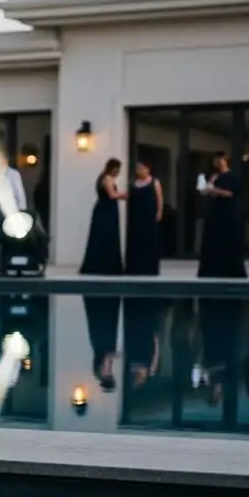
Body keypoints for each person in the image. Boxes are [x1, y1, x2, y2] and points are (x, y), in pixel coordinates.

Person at [197, 152, 246, 406]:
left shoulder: (230, 178)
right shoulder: (213, 176)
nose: (216, 164)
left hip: (227, 215)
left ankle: (228, 268)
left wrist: (215, 189)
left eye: (219, 160)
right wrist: (208, 190)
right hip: (214, 215)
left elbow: (232, 195)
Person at [80, 158, 127, 389]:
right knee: (104, 240)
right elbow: (111, 195)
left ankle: (105, 264)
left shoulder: (100, 362)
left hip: (107, 212)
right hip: (106, 212)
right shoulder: (107, 179)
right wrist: (127, 195)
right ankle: (103, 265)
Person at [122, 160, 164, 387]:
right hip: (137, 218)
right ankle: (136, 266)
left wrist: (158, 212)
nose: (139, 170)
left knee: (148, 243)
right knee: (136, 243)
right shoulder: (134, 183)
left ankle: (149, 266)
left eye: (142, 167)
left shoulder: (153, 182)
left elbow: (159, 199)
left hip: (149, 217)